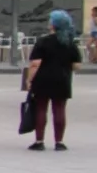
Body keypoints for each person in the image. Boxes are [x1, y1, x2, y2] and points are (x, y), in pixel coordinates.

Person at [26, 9, 83, 152]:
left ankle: (39, 141)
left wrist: (28, 80)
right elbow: (77, 66)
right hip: (62, 79)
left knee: (40, 108)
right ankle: (59, 142)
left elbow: (35, 63)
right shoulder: (69, 43)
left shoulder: (43, 41)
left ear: (54, 25)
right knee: (59, 109)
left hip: (42, 79)